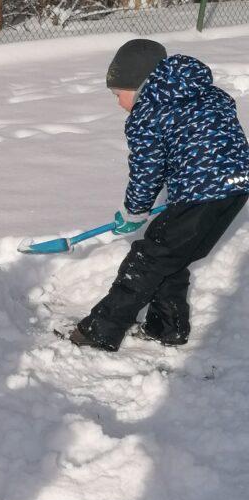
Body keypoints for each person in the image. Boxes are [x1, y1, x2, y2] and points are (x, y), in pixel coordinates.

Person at [70, 39, 249, 351]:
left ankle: (101, 330)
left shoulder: (147, 114)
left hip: (200, 193)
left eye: (118, 93)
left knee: (147, 260)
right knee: (171, 255)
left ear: (139, 86)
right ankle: (166, 327)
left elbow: (147, 171)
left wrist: (133, 211)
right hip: (238, 186)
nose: (118, 102)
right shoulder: (207, 94)